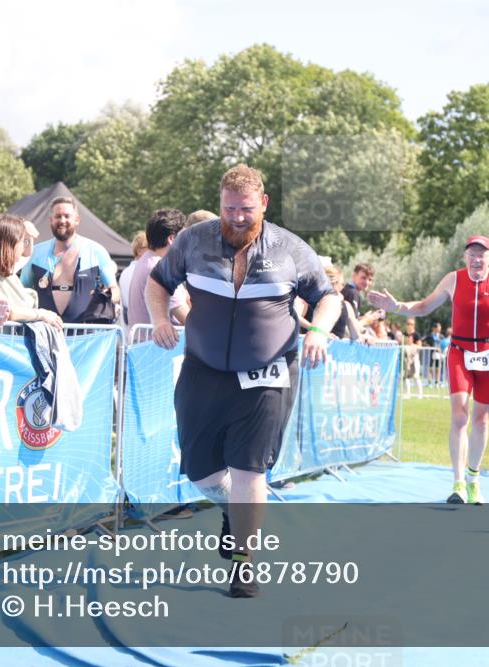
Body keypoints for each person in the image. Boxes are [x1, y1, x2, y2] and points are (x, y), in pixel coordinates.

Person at [146, 164, 341, 597]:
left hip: (267, 374)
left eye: (246, 210)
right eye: (229, 208)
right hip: (203, 370)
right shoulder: (193, 242)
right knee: (201, 473)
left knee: (250, 470)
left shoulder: (290, 249)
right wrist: (160, 318)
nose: (237, 217)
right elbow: (158, 283)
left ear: (263, 204)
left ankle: (243, 563)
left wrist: (320, 333)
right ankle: (233, 512)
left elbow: (328, 297)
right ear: (220, 204)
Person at [369, 235, 489, 504]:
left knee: (482, 419)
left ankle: (473, 478)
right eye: (471, 253)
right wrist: (398, 307)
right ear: (465, 258)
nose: (476, 258)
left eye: (482, 254)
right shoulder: (453, 279)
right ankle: (458, 482)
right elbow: (424, 306)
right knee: (460, 416)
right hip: (460, 352)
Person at [21, 196, 121, 323]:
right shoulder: (35, 253)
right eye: (58, 216)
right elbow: (21, 290)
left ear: (77, 220)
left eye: (67, 216)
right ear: (51, 220)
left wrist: (107, 295)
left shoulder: (96, 251)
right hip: (43, 335)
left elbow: (114, 289)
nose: (62, 220)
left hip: (85, 337)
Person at [0, 214, 63, 330]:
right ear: (10, 244)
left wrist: (28, 236)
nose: (24, 247)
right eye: (22, 242)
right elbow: (2, 311)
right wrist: (41, 314)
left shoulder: (1, 268)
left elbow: (27, 254)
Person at [127, 209, 190, 329]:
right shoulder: (160, 268)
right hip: (157, 346)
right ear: (171, 239)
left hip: (146, 345)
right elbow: (187, 319)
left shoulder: (146, 260)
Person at [118, 230, 147, 324]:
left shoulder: (128, 271)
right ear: (139, 251)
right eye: (150, 247)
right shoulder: (133, 271)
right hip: (141, 330)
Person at [402, 317, 423, 399]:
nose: (409, 325)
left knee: (416, 376)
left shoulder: (416, 335)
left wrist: (411, 345)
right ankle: (407, 394)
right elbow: (402, 343)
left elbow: (420, 346)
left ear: (414, 325)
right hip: (406, 358)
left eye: (410, 324)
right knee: (406, 376)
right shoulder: (404, 334)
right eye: (408, 324)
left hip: (415, 357)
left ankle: (419, 394)